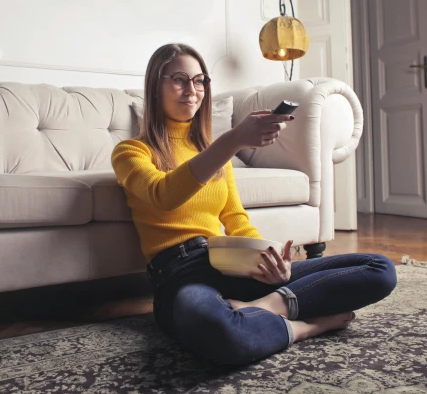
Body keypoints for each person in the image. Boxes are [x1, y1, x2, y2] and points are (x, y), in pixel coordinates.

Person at [111, 43, 397, 366]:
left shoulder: (217, 159)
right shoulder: (131, 153)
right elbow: (164, 195)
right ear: (155, 86)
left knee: (380, 269)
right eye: (179, 79)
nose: (192, 90)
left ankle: (270, 306)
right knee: (217, 329)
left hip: (228, 262)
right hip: (179, 278)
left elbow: (237, 220)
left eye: (199, 80)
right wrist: (232, 140)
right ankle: (304, 326)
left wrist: (271, 262)